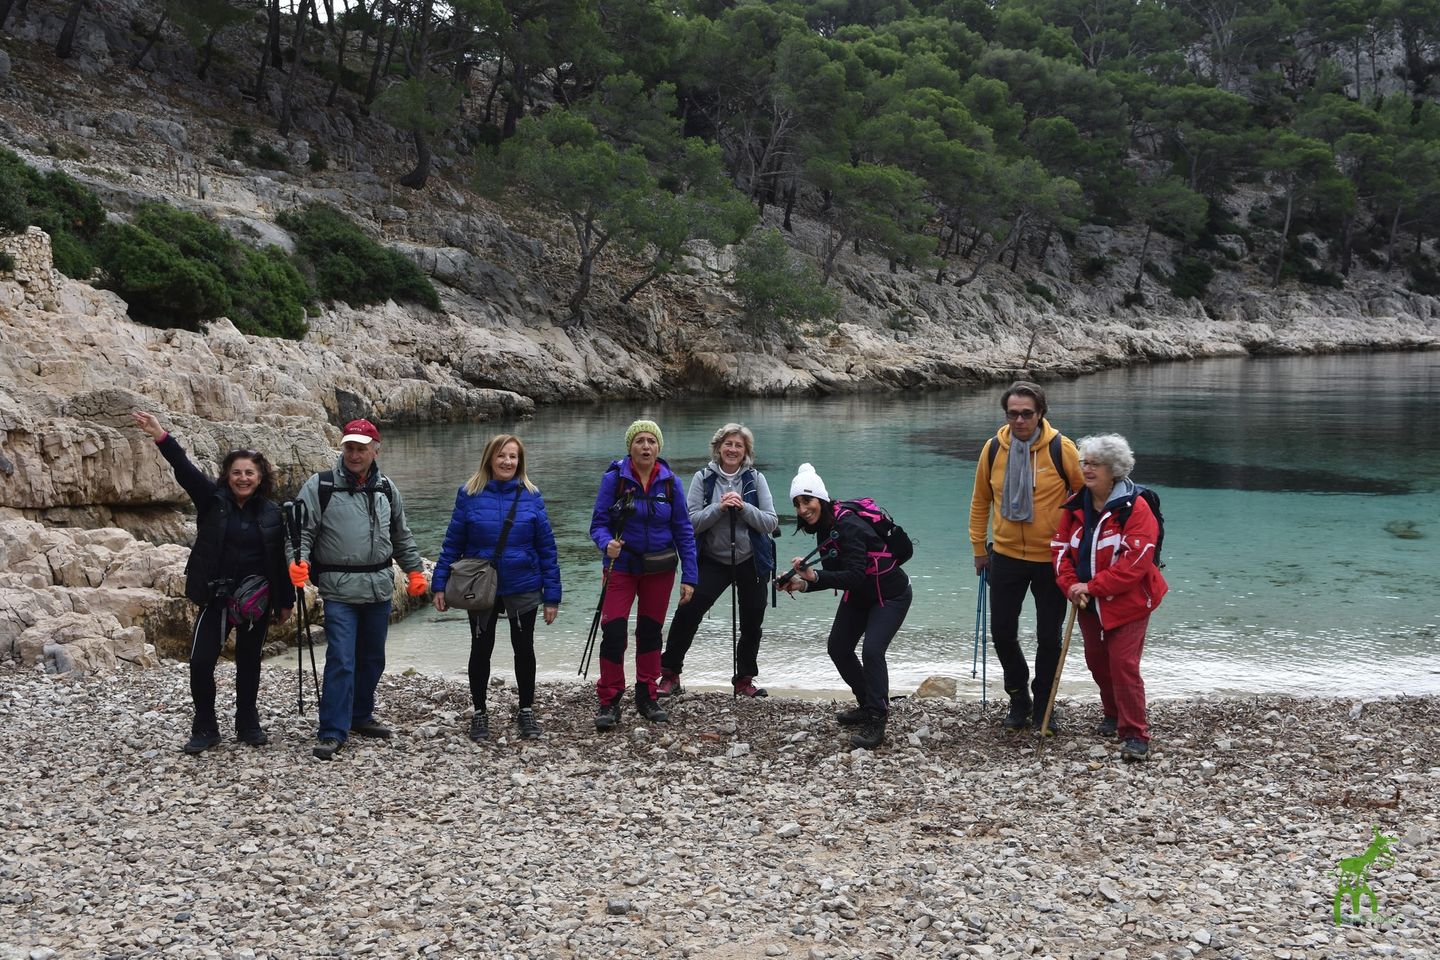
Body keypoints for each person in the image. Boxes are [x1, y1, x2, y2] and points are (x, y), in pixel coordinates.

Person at [133, 411, 295, 755]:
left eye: (249, 472)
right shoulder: (212, 501)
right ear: (227, 475)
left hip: (256, 600)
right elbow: (185, 470)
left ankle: (248, 723)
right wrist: (162, 436)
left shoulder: (270, 512)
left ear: (260, 476)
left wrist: (285, 601)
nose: (242, 478)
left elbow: (279, 561)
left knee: (250, 662)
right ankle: (205, 725)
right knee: (201, 662)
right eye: (236, 472)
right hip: (216, 596)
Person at [288, 419, 427, 760]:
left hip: (379, 587)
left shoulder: (387, 488)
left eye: (361, 448)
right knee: (342, 660)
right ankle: (332, 730)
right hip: (338, 590)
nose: (354, 454)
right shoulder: (320, 485)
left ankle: (360, 715)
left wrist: (415, 572)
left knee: (372, 658)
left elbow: (401, 536)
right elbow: (301, 531)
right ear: (343, 449)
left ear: (375, 451)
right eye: (349, 447)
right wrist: (298, 560)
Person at [431, 434, 562, 742]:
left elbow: (547, 548)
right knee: (481, 649)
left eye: (513, 457)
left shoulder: (531, 494)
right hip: (479, 584)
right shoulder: (469, 493)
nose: (507, 462)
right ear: (490, 458)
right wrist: (439, 584)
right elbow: (452, 543)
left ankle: (526, 710)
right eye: (502, 456)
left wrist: (552, 595)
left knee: (524, 649)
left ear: (520, 461)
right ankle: (479, 713)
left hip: (523, 584)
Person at [968, 380, 1082, 731]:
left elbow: (1083, 501)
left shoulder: (1063, 450)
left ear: (1041, 413)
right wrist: (978, 548)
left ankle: (1045, 703)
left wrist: (1079, 549)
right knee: (1002, 632)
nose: (1019, 420)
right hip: (1004, 556)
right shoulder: (992, 450)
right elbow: (980, 501)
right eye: (1013, 413)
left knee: (1049, 636)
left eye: (1026, 414)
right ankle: (1019, 697)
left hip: (1052, 560)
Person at [1051, 434, 1167, 762]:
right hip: (1087, 601)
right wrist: (1071, 585)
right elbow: (1060, 549)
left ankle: (1135, 733)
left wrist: (1091, 587)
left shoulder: (1136, 507)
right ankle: (1113, 712)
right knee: (1097, 660)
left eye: (1095, 465)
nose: (1087, 470)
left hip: (1130, 601)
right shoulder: (1076, 504)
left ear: (1113, 470)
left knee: (1123, 663)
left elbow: (1136, 562)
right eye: (1084, 463)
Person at [779, 463, 911, 750]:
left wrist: (813, 576)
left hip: (891, 595)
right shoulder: (824, 528)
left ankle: (878, 717)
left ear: (821, 499)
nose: (802, 509)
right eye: (797, 503)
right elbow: (837, 576)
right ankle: (867, 703)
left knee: (873, 650)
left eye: (807, 501)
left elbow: (853, 574)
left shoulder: (848, 525)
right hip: (861, 596)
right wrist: (802, 584)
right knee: (838, 647)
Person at [588, 419, 698, 730]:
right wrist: (604, 543)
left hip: (659, 569)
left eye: (651, 441)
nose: (646, 446)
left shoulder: (671, 482)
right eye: (640, 441)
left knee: (650, 633)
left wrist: (690, 576)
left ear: (659, 447)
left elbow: (684, 531)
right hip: (621, 566)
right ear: (630, 447)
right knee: (613, 633)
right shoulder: (615, 479)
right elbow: (597, 524)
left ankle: (647, 695)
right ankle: (609, 699)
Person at [658, 423, 779, 698]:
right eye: (728, 444)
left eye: (738, 445)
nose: (733, 449)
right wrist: (720, 507)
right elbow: (689, 522)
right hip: (713, 558)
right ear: (718, 447)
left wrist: (744, 507)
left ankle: (744, 680)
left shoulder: (755, 479)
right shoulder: (703, 478)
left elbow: (771, 522)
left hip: (751, 559)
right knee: (688, 612)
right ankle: (670, 674)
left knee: (752, 622)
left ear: (746, 451)